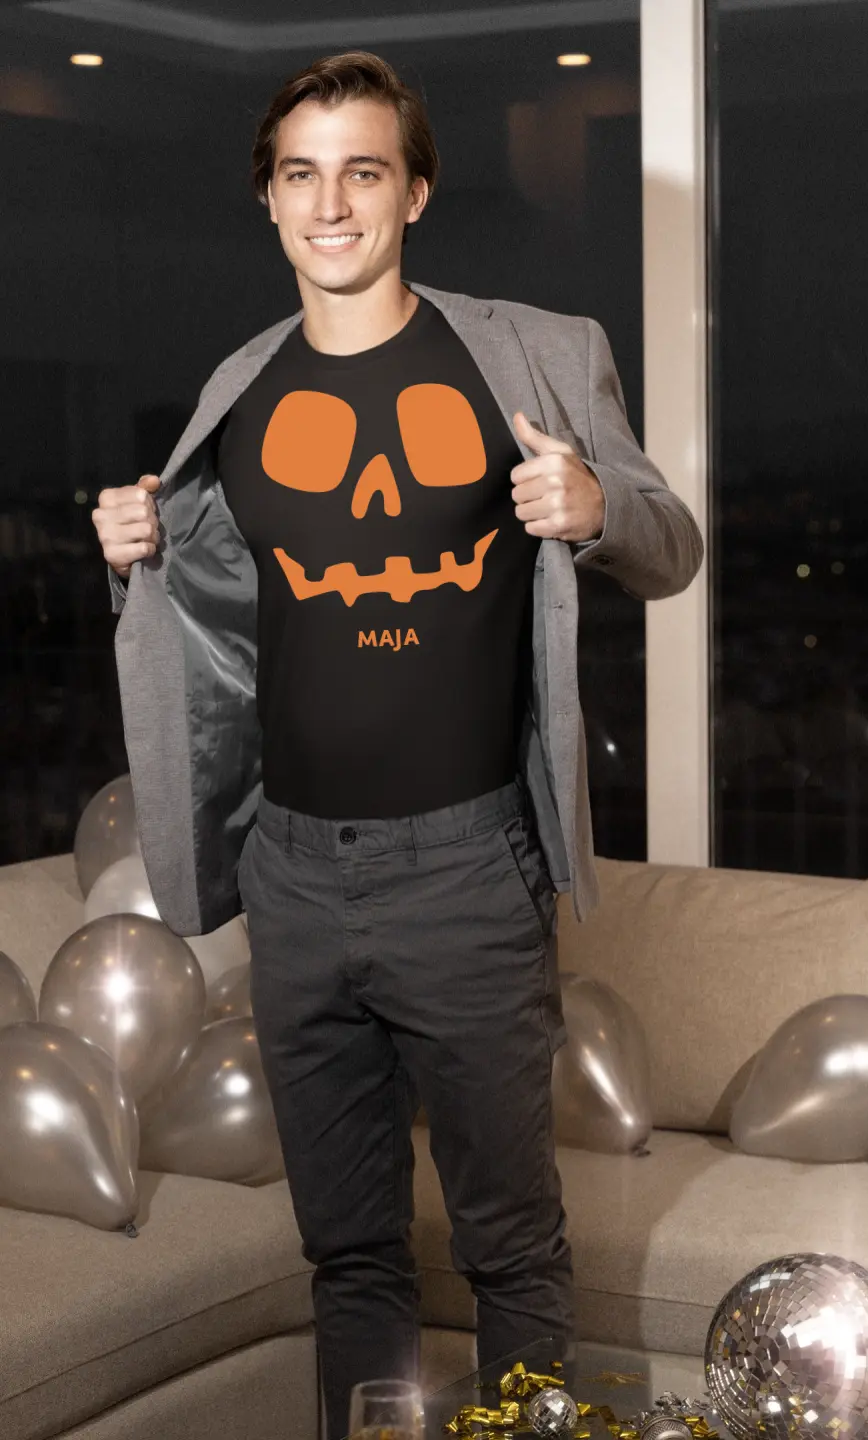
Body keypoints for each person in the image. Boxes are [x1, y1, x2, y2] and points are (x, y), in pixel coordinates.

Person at [92, 50, 702, 1440]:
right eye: (300, 175)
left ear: (415, 192)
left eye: (362, 172)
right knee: (350, 1254)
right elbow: (211, 604)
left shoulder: (534, 353)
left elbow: (671, 546)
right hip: (295, 875)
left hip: (469, 870)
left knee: (510, 1247)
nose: (331, 205)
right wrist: (133, 552)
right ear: (267, 199)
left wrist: (595, 505)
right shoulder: (240, 390)